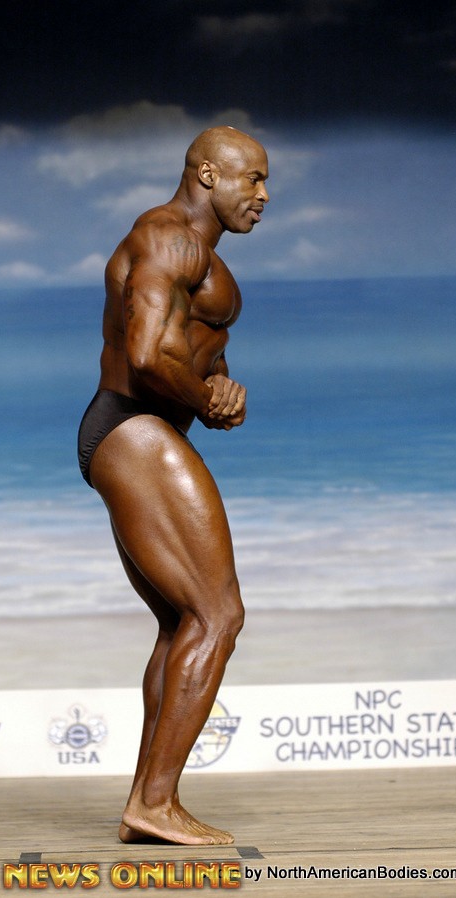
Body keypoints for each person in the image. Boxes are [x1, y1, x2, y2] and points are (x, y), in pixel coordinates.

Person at [78, 125, 269, 845]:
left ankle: (146, 805)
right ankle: (154, 804)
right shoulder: (165, 238)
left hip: (139, 433)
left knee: (182, 621)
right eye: (252, 178)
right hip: (134, 429)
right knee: (219, 615)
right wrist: (202, 399)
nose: (263, 194)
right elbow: (147, 354)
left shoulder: (204, 258)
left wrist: (222, 388)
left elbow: (191, 353)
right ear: (208, 174)